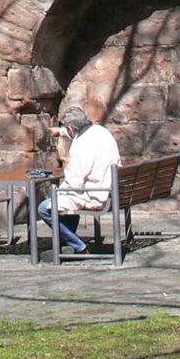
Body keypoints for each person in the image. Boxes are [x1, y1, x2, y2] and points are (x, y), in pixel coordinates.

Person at [37, 103, 120, 253]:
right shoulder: (101, 132)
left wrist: (58, 193)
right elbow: (76, 133)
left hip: (95, 194)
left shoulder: (82, 147)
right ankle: (67, 241)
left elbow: (74, 181)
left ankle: (78, 245)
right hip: (109, 190)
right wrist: (60, 132)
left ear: (71, 128)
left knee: (45, 207)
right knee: (65, 201)